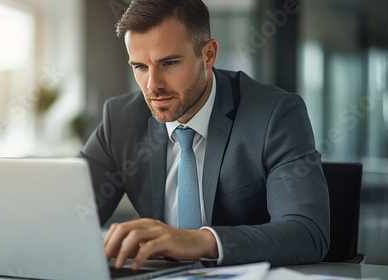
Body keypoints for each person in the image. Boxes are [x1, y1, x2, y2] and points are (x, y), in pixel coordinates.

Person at [80, 0, 330, 271]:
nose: (153, 85)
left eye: (170, 62)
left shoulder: (274, 115)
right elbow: (68, 216)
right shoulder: (120, 120)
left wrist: (200, 240)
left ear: (208, 55)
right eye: (140, 67)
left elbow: (307, 233)